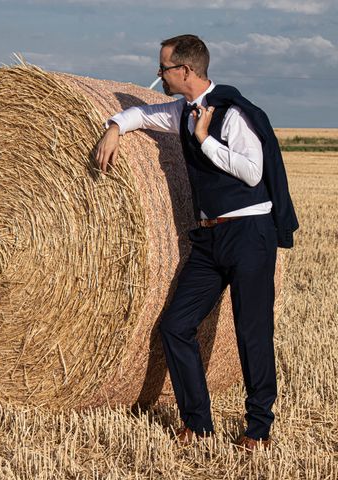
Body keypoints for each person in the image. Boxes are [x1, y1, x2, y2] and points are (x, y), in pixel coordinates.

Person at [96, 35, 298, 450]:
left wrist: (206, 139)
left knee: (252, 334)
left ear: (185, 70)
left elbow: (252, 173)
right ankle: (198, 422)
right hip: (209, 238)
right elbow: (142, 114)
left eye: (164, 68)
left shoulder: (232, 113)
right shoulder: (181, 110)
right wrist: (114, 127)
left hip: (248, 235)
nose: (159, 75)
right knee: (176, 326)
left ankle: (259, 428)